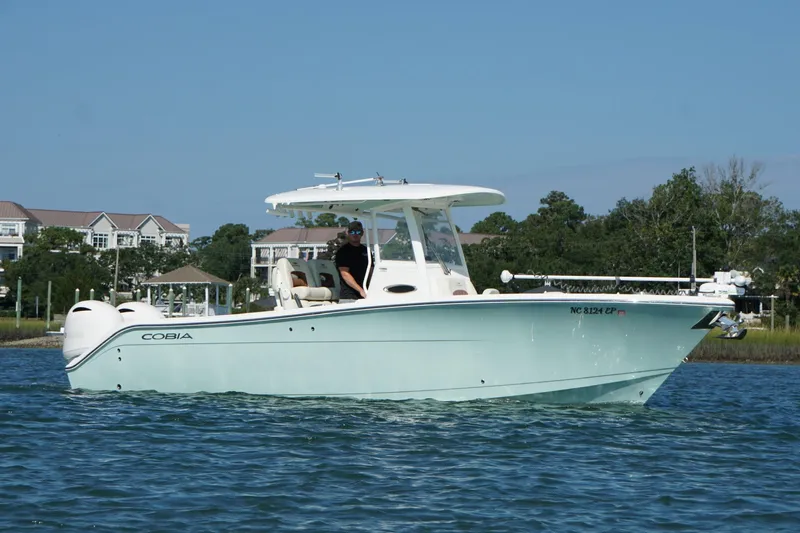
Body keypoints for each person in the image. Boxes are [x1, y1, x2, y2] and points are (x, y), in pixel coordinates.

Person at [335, 220, 370, 301]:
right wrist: (361, 290)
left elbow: (371, 271)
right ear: (348, 233)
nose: (355, 234)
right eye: (352, 232)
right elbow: (345, 274)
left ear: (362, 233)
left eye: (358, 232)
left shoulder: (366, 250)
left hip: (366, 294)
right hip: (349, 296)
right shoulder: (343, 251)